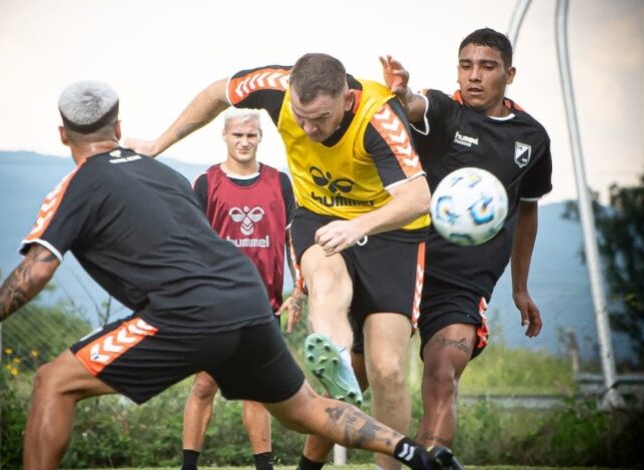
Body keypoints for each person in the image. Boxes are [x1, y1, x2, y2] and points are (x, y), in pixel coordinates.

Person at [0, 80, 459, 470]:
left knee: (53, 381)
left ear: (62, 136)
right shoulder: (163, 173)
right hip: (245, 297)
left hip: (185, 311)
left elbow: (36, 270)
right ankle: (410, 450)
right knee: (303, 411)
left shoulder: (74, 187)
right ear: (120, 127)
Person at [124, 52, 440, 470]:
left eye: (320, 119)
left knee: (387, 371)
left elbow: (418, 198)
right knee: (326, 278)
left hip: (393, 231)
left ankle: (389, 460)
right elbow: (216, 93)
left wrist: (359, 225)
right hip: (320, 215)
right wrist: (156, 145)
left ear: (346, 100)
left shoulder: (378, 118)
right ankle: (337, 360)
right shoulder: (274, 84)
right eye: (300, 115)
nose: (308, 130)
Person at [377, 27, 552, 452]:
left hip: (462, 283)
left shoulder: (532, 138)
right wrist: (403, 94)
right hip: (403, 263)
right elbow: (417, 105)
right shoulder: (444, 110)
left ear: (509, 74)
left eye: (487, 67)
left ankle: (428, 463)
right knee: (367, 375)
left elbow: (527, 210)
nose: (474, 76)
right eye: (466, 65)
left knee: (442, 376)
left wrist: (520, 286)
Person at [181, 109, 297, 470]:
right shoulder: (206, 183)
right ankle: (188, 466)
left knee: (257, 390)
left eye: (251, 135)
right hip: (217, 304)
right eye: (237, 136)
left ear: (261, 137)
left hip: (266, 303)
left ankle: (264, 466)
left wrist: (301, 288)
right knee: (203, 385)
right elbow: (190, 242)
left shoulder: (280, 183)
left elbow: (294, 241)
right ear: (225, 137)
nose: (244, 142)